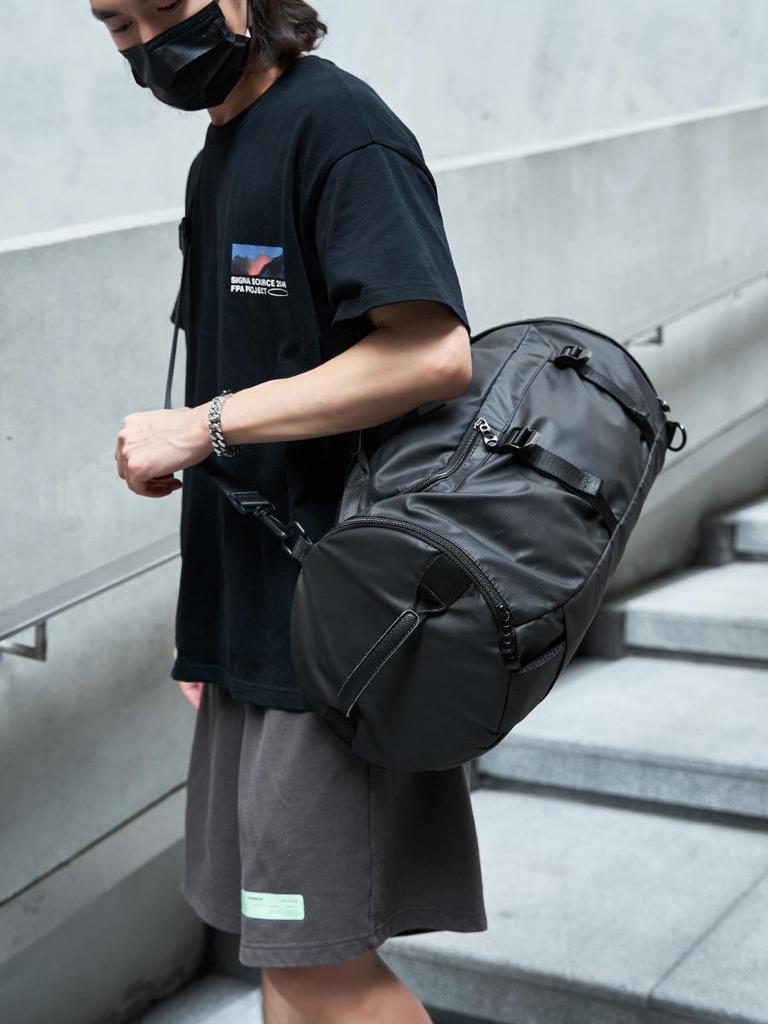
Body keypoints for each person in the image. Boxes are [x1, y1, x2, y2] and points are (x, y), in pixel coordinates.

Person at [98, 1, 487, 1020]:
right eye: (117, 25)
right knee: (285, 952)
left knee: (321, 967)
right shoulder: (219, 157)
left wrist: (203, 426)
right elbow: (257, 390)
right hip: (254, 632)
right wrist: (211, 637)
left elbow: (433, 353)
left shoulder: (339, 127)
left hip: (335, 631)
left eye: (164, 8)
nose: (148, 43)